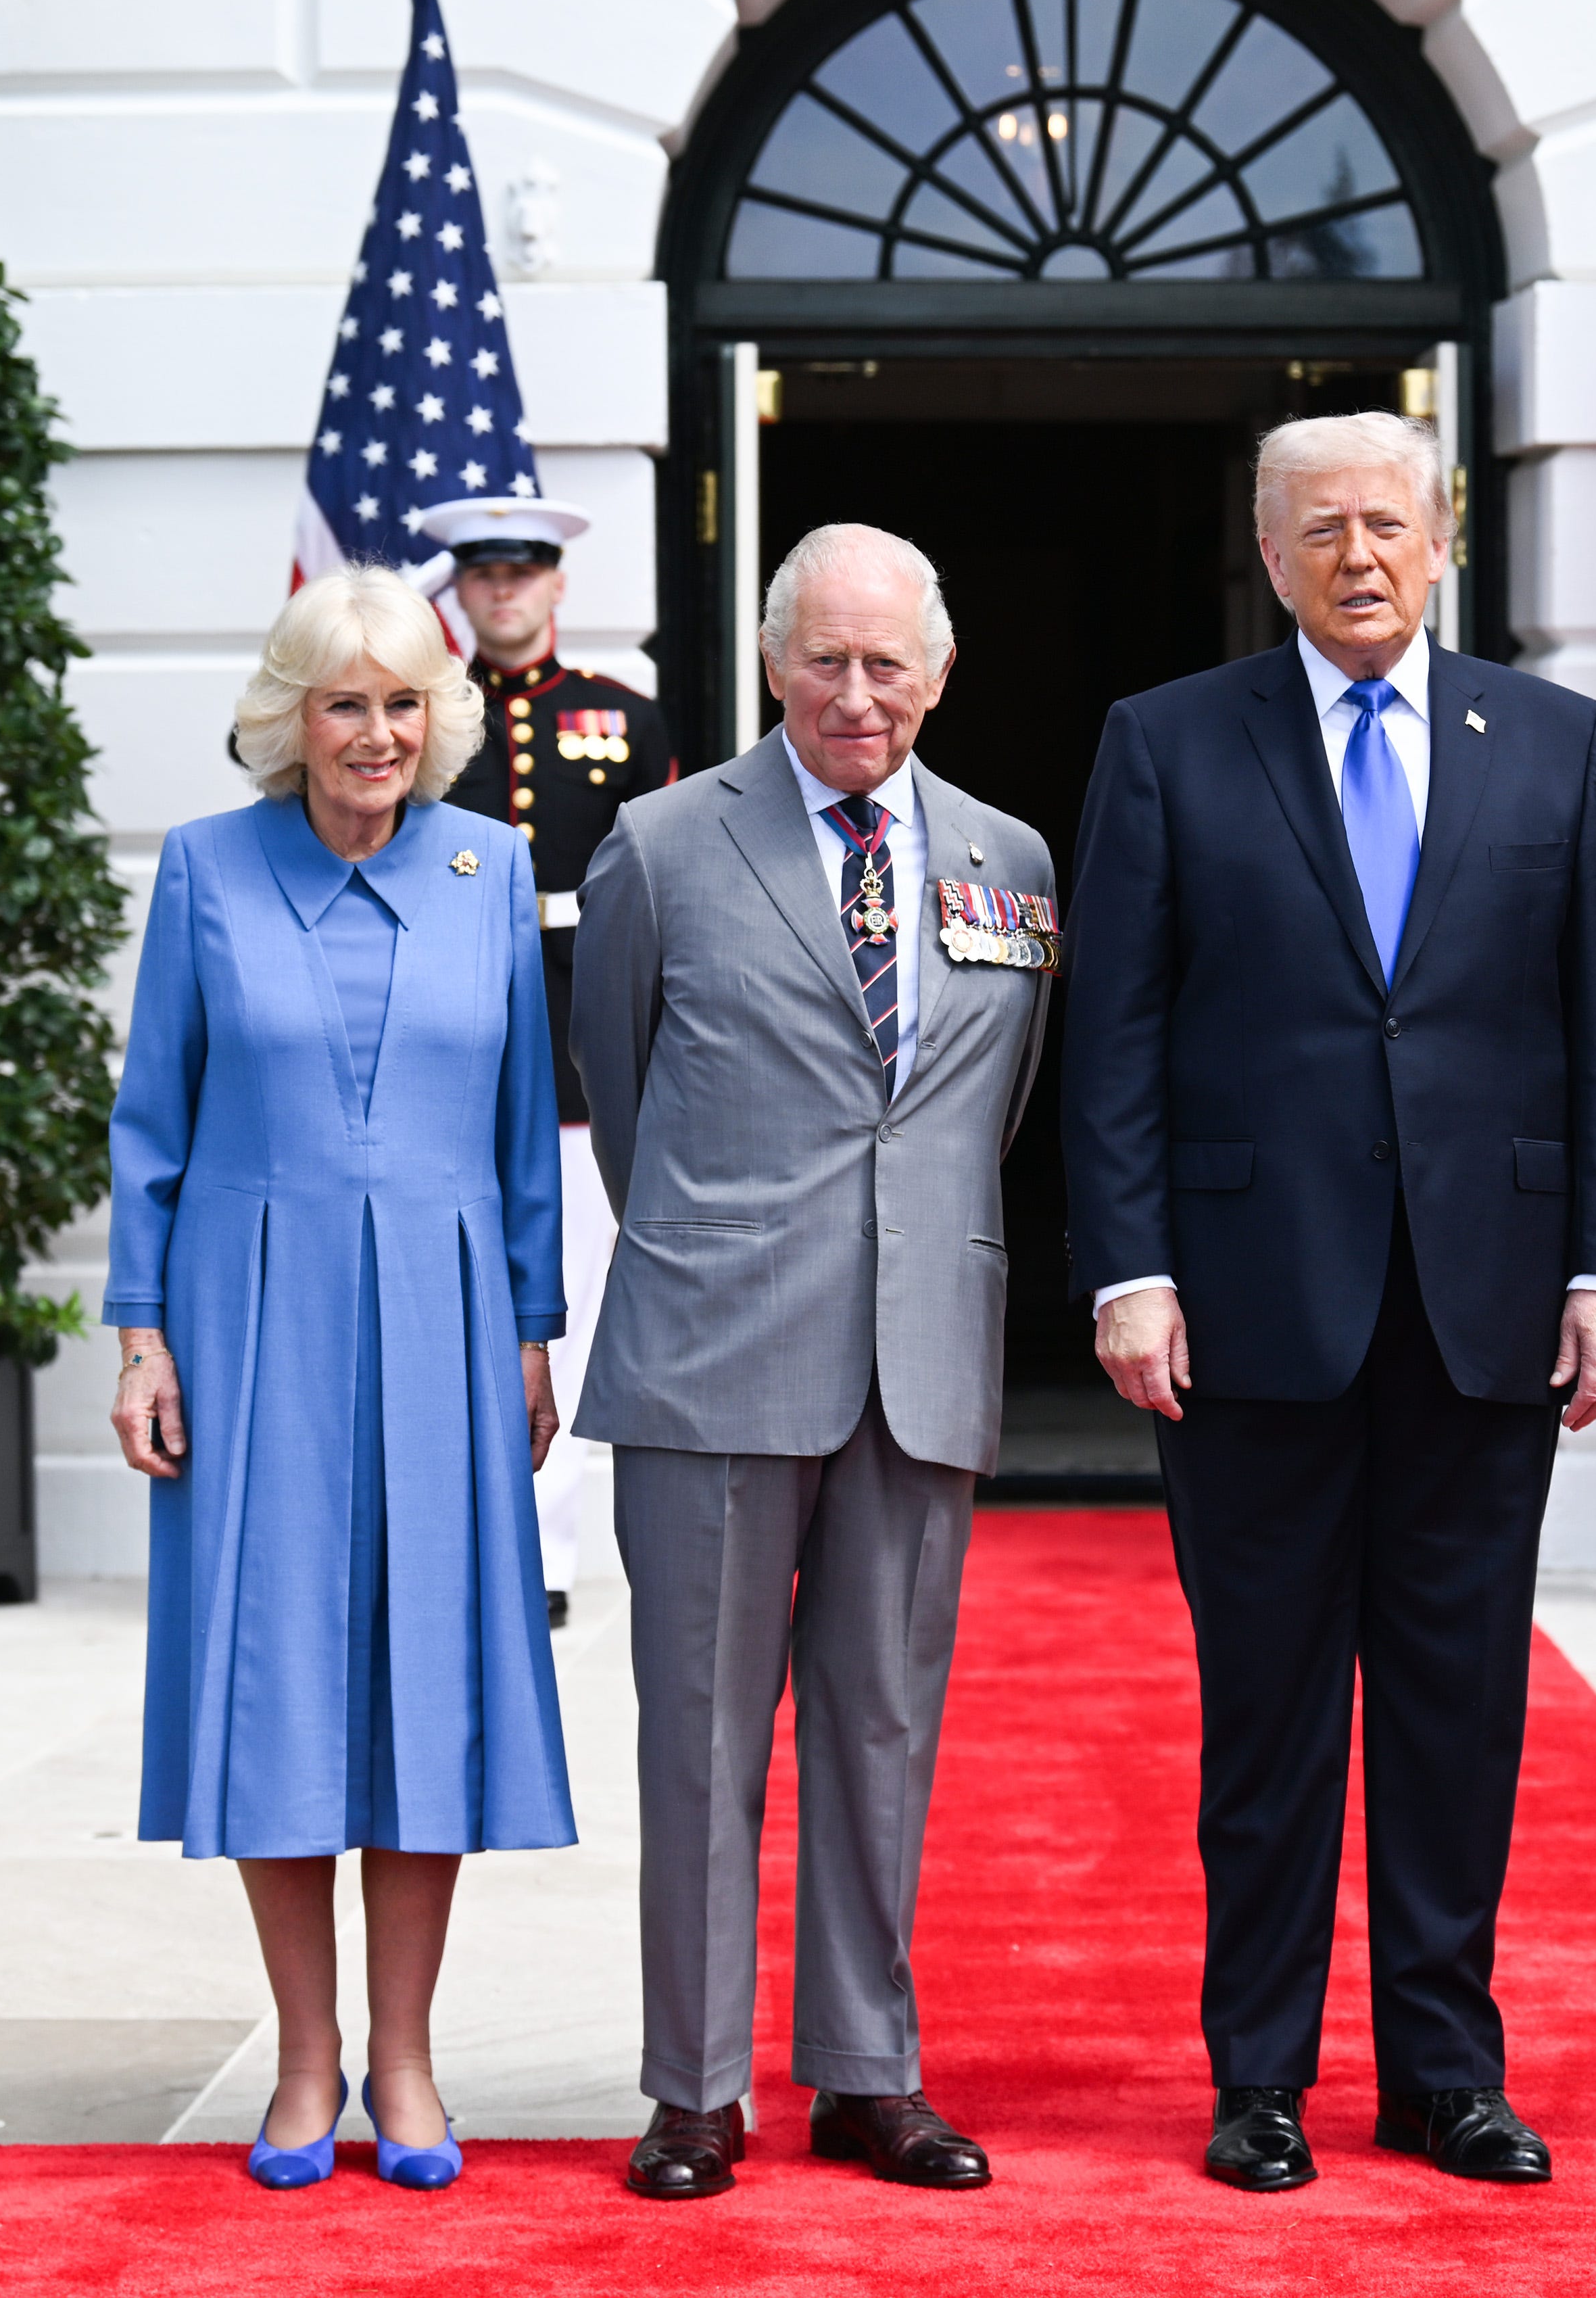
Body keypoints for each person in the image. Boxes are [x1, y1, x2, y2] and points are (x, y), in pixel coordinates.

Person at [1067, 413, 1596, 2195]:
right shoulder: (1167, 741)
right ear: (1270, 552)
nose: (1359, 555)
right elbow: (1117, 1028)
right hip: (1247, 1309)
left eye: (1386, 522)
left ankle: (1440, 2068)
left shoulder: (1556, 746)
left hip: (1482, 1303)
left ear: (1441, 534)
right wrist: (1129, 1264)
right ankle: (1258, 2076)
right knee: (1264, 1711)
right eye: (1320, 527)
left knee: (1455, 1705)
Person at [572, 523, 1059, 2203]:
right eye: (824, 660)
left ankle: (867, 2071)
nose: (857, 694)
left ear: (938, 669)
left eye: (888, 662)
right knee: (699, 1734)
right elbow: (622, 1109)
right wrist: (726, 1246)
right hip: (716, 1343)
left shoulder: (1010, 857)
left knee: (878, 1725)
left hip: (919, 1351)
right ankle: (694, 2087)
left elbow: (982, 1110)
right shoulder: (657, 843)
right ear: (771, 661)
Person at [103, 564, 571, 2197]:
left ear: (436, 717)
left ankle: (408, 2060)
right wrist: (140, 1330)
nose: (376, 731)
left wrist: (531, 1321)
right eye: (342, 700)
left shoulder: (488, 862)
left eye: (402, 701)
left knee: (426, 1677)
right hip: (250, 1321)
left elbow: (525, 1128)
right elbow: (149, 1121)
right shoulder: (205, 873)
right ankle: (305, 2062)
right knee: (288, 1673)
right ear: (288, 719)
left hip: (445, 1320)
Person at [426, 497, 677, 1629]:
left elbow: (666, 892)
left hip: (579, 1035)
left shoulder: (623, 720)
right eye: (482, 575)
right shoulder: (426, 717)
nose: (503, 592)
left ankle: (543, 1555)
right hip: (446, 1025)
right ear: (460, 591)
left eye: (523, 571)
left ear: (557, 583)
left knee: (560, 1301)